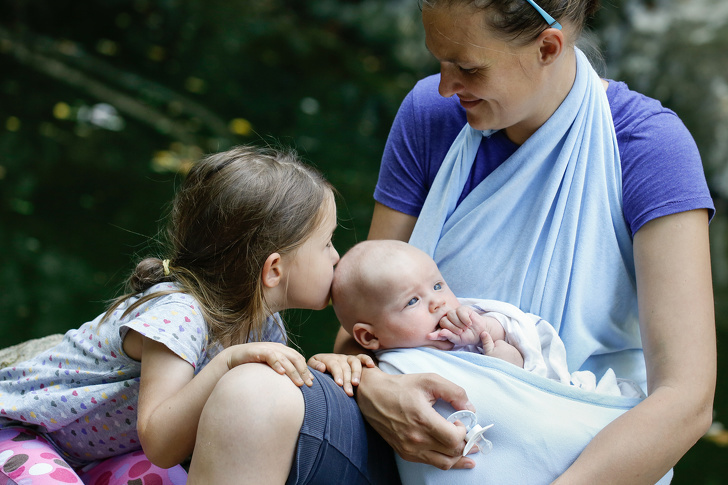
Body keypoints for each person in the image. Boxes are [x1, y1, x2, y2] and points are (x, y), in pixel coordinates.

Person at [331, 0, 716, 483]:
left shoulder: (648, 148)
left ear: (548, 46)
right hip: (412, 446)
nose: (447, 86)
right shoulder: (431, 115)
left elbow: (687, 400)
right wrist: (372, 388)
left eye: (467, 67)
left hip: (583, 461)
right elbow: (360, 323)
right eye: (440, 62)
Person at [0, 144, 370, 485]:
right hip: (25, 433)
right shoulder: (180, 315)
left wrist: (319, 369)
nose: (337, 256)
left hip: (99, 456)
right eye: (326, 243)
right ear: (273, 269)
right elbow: (160, 441)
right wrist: (227, 363)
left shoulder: (264, 326)